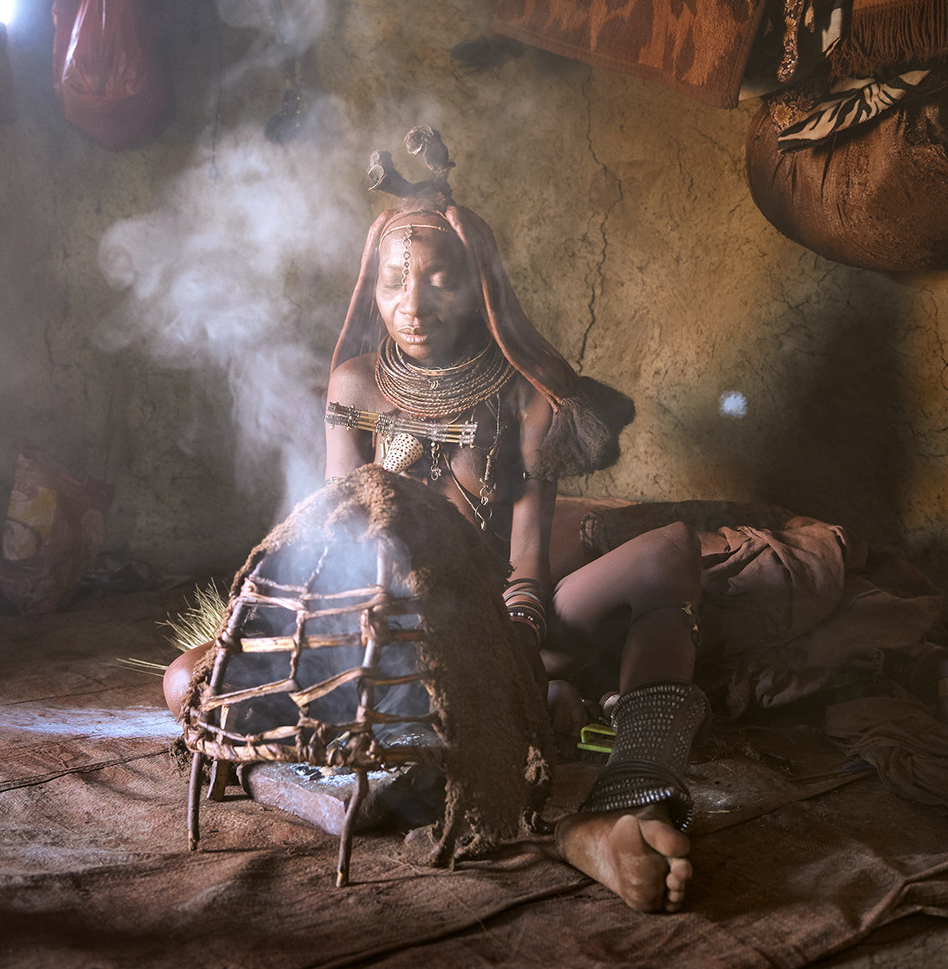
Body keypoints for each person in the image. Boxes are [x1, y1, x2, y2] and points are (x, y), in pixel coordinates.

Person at [165, 128, 710, 913]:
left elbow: (526, 564)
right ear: (372, 287)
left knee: (671, 553)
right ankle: (363, 772)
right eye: (393, 282)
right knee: (185, 682)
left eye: (438, 280)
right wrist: (340, 635)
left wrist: (505, 649)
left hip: (500, 624)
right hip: (378, 630)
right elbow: (337, 537)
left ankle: (634, 789)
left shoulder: (522, 398)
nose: (412, 306)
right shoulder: (356, 384)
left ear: (478, 284)